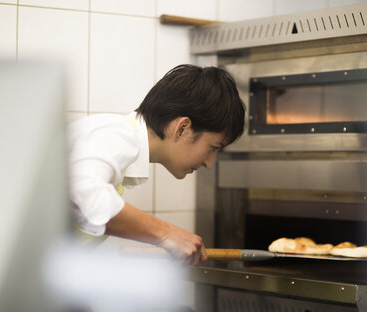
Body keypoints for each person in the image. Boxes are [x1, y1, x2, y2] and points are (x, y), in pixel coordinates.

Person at [68, 64, 245, 265]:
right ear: (183, 128)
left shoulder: (119, 140)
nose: (209, 163)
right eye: (213, 148)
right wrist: (166, 234)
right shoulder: (117, 135)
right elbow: (83, 190)